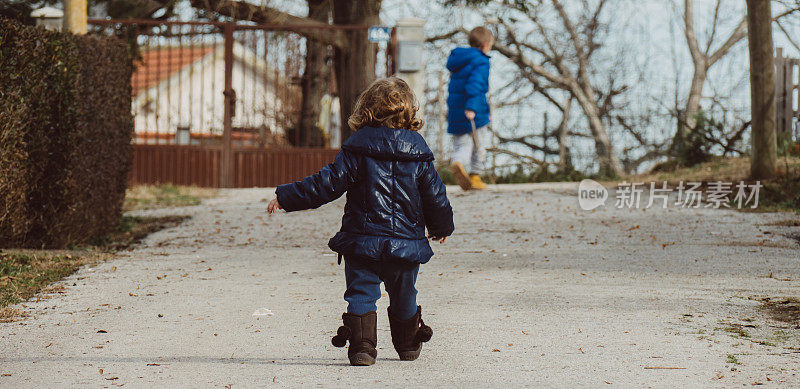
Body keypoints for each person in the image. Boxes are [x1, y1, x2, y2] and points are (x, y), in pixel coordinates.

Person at [267, 77, 454, 366]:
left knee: (361, 293)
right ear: (409, 114)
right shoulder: (418, 155)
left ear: (365, 111)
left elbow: (325, 184)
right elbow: (435, 196)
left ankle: (362, 347)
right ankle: (407, 343)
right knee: (404, 294)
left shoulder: (356, 151)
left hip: (362, 242)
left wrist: (287, 197)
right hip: (404, 247)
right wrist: (441, 227)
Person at [446, 26, 494, 191]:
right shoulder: (481, 60)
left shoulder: (458, 60)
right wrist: (472, 107)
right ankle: (475, 176)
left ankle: (457, 162)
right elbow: (476, 84)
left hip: (455, 111)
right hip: (475, 110)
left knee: (462, 145)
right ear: (486, 45)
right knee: (479, 144)